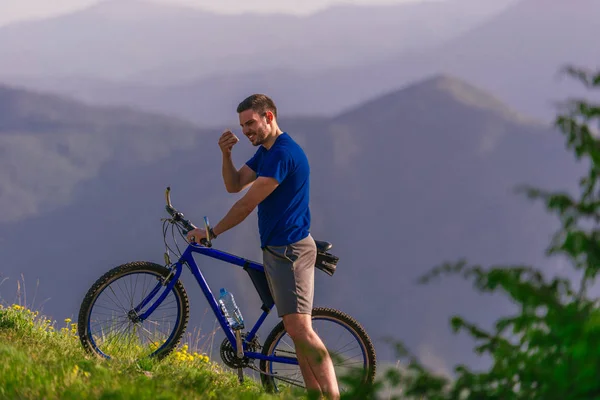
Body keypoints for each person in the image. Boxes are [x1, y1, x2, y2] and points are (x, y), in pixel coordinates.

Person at [186, 94, 340, 399]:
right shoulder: (266, 152)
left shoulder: (283, 154)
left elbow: (245, 204)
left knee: (302, 332)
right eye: (243, 125)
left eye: (251, 123)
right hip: (277, 250)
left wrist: (211, 231)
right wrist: (225, 154)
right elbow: (235, 184)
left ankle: (333, 395)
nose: (246, 131)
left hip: (290, 252)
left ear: (269, 116)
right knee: (296, 334)